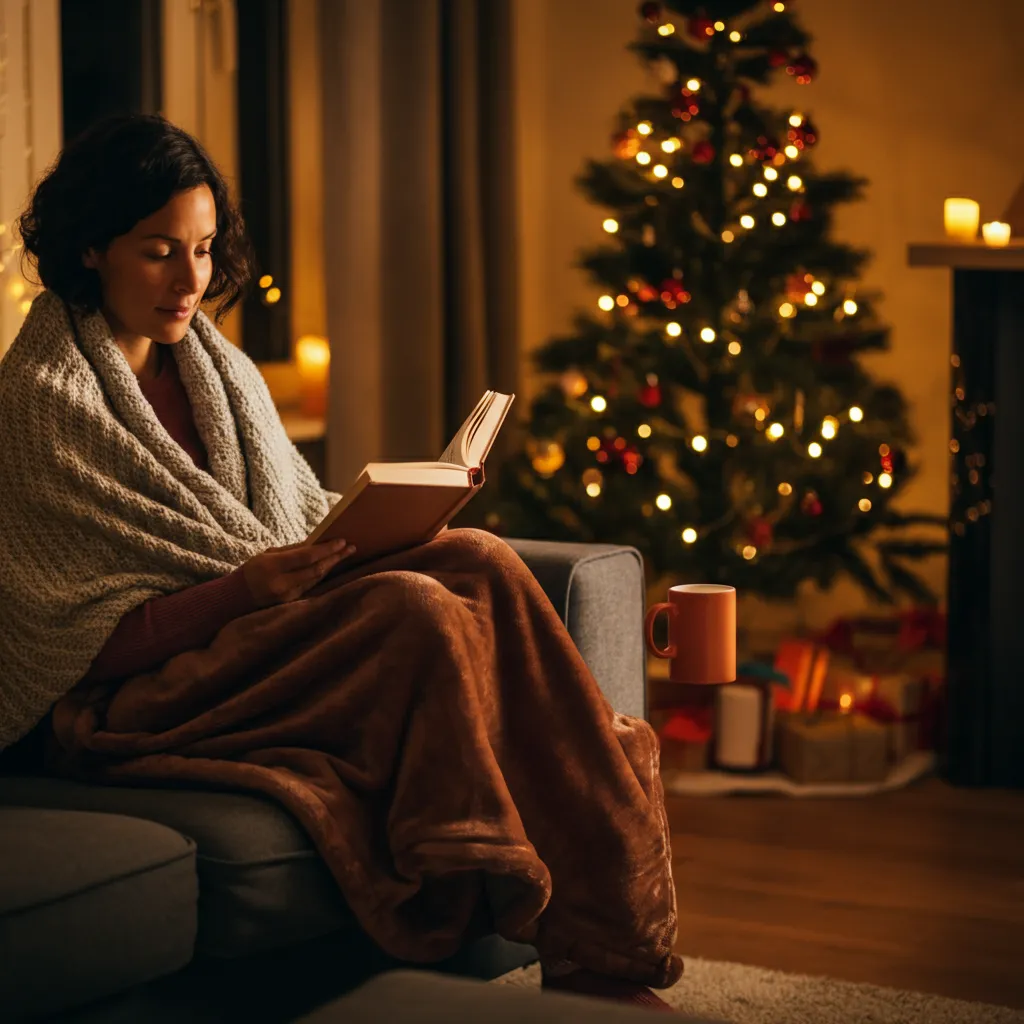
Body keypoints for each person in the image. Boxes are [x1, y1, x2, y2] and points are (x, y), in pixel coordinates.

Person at [0, 113, 683, 1012]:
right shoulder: (44, 404)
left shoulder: (219, 368)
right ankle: (521, 904)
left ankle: (608, 944)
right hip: (132, 699)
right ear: (91, 249)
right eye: (160, 251)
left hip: (260, 636)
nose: (191, 281)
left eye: (204, 250)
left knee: (473, 558)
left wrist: (395, 520)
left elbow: (291, 520)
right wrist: (246, 588)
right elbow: (74, 650)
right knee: (416, 610)